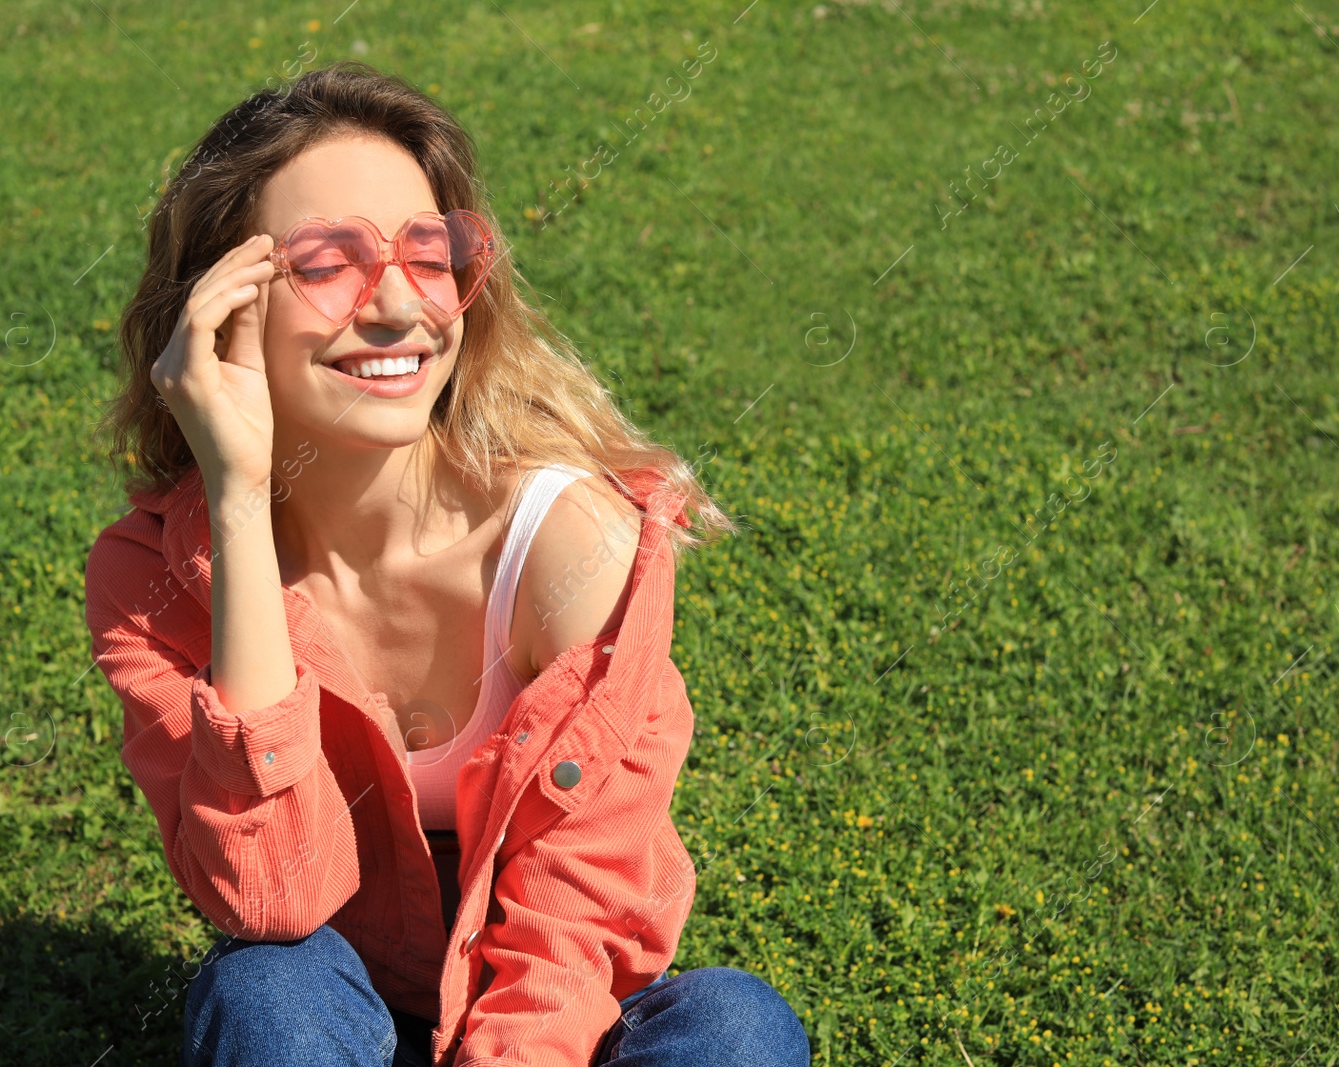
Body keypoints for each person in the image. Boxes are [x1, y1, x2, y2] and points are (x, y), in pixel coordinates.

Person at [83, 61, 811, 1067]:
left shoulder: (572, 542)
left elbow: (574, 911)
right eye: (326, 262)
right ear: (217, 308)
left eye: (428, 255)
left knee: (735, 1026)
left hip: (546, 1007)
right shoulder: (150, 577)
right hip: (329, 991)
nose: (396, 306)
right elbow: (269, 897)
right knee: (263, 990)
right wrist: (239, 494)